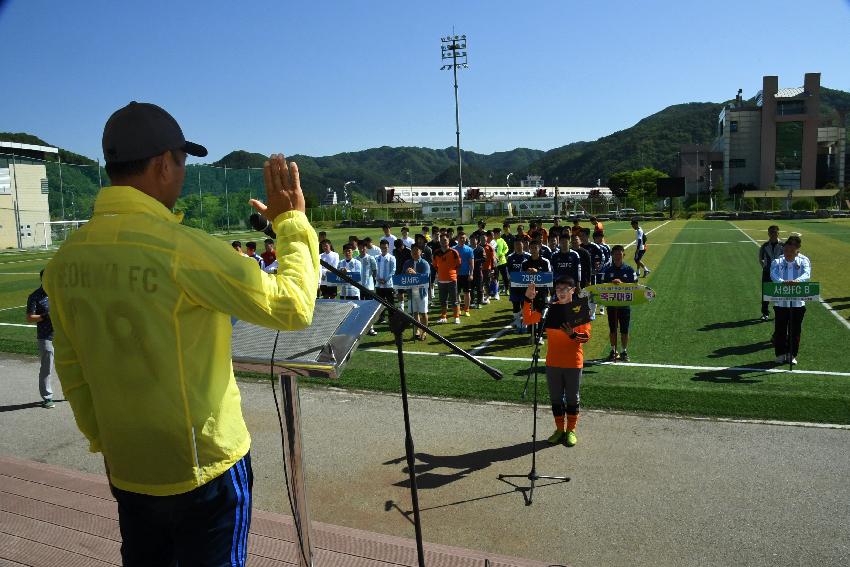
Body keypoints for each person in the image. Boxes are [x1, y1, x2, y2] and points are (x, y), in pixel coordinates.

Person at [43, 101, 318, 567]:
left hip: (128, 464)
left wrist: (109, 442)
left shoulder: (67, 259)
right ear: (164, 163)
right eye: (183, 163)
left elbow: (72, 369)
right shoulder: (186, 251)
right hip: (204, 468)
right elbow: (293, 306)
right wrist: (290, 221)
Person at [523, 277, 591, 447]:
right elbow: (528, 319)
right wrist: (527, 299)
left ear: (573, 290)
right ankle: (559, 429)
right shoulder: (549, 309)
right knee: (555, 398)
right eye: (558, 289)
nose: (560, 292)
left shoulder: (579, 309)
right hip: (553, 362)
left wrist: (573, 335)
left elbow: (586, 337)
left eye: (565, 288)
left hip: (573, 363)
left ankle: (571, 430)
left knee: (572, 398)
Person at [770, 234, 811, 365]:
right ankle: (780, 354)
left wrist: (796, 281)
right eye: (786, 250)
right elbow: (773, 274)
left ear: (797, 250)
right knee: (780, 329)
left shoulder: (803, 261)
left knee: (795, 330)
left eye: (792, 251)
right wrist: (783, 282)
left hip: (798, 303)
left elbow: (807, 274)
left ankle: (792, 354)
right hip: (781, 303)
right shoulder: (777, 261)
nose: (788, 253)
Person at [600, 244, 637, 361]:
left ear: (623, 255)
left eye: (619, 253)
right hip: (611, 304)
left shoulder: (629, 270)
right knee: (613, 329)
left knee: (624, 330)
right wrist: (612, 283)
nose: (617, 256)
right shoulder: (607, 271)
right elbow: (602, 287)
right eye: (615, 254)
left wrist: (622, 284)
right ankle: (613, 350)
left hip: (624, 305)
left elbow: (635, 287)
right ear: (612, 255)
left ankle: (624, 351)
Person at [26, 270, 55, 409]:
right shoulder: (34, 296)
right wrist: (44, 316)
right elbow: (29, 317)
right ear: (42, 279)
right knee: (47, 368)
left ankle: (69, 392)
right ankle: (47, 397)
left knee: (66, 366)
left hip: (62, 337)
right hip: (45, 336)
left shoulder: (57, 293)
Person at [403, 245, 431, 340]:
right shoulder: (407, 263)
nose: (414, 253)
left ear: (420, 252)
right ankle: (417, 331)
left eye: (417, 251)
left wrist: (415, 274)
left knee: (423, 313)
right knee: (415, 313)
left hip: (422, 292)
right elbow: (402, 276)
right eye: (413, 251)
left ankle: (425, 332)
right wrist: (406, 273)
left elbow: (425, 277)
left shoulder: (425, 263)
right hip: (411, 291)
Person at [433, 235, 461, 324]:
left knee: (454, 300)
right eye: (441, 240)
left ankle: (456, 317)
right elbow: (435, 265)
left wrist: (452, 273)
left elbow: (458, 264)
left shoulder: (454, 252)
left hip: (452, 279)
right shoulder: (436, 253)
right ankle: (443, 316)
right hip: (441, 280)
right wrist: (441, 272)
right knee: (443, 300)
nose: (443, 241)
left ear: (448, 241)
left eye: (445, 240)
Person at [507, 239, 531, 333]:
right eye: (516, 245)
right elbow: (508, 271)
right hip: (515, 285)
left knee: (525, 305)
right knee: (516, 305)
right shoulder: (510, 257)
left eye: (519, 245)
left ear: (523, 245)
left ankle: (525, 325)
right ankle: (518, 324)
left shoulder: (528, 256)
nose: (518, 247)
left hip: (526, 285)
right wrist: (510, 281)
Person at [759, 225, 783, 321]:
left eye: (775, 232)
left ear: (778, 233)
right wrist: (765, 267)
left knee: (780, 294)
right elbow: (760, 259)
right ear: (768, 233)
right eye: (771, 232)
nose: (773, 234)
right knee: (766, 294)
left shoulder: (783, 246)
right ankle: (765, 313)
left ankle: (780, 313)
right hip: (767, 273)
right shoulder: (764, 246)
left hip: (780, 274)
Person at [454, 232, 475, 316]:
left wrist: (471, 274)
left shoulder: (469, 249)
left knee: (467, 293)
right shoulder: (453, 249)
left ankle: (466, 309)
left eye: (464, 238)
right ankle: (458, 309)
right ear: (457, 239)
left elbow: (471, 263)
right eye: (460, 238)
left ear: (466, 239)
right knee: (457, 293)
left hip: (466, 275)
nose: (462, 239)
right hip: (456, 275)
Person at [592, 230, 612, 315]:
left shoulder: (606, 247)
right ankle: (593, 309)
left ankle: (602, 307)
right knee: (593, 290)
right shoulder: (592, 247)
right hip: (593, 273)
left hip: (603, 272)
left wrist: (601, 267)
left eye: (601, 237)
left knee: (602, 289)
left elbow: (609, 260)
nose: (600, 239)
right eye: (598, 237)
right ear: (594, 238)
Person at [469, 233, 486, 309]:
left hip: (478, 271)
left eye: (474, 240)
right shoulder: (468, 248)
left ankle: (479, 302)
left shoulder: (480, 249)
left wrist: (476, 261)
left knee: (479, 288)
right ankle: (472, 302)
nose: (472, 241)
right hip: (470, 271)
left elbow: (484, 259)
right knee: (471, 288)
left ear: (477, 240)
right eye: (471, 240)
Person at [493, 227, 510, 297]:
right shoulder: (492, 241)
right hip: (495, 262)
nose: (500, 234)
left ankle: (507, 289)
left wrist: (502, 254)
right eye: (499, 233)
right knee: (495, 277)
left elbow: (506, 248)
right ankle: (496, 291)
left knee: (505, 277)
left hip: (502, 262)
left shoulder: (502, 240)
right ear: (495, 234)